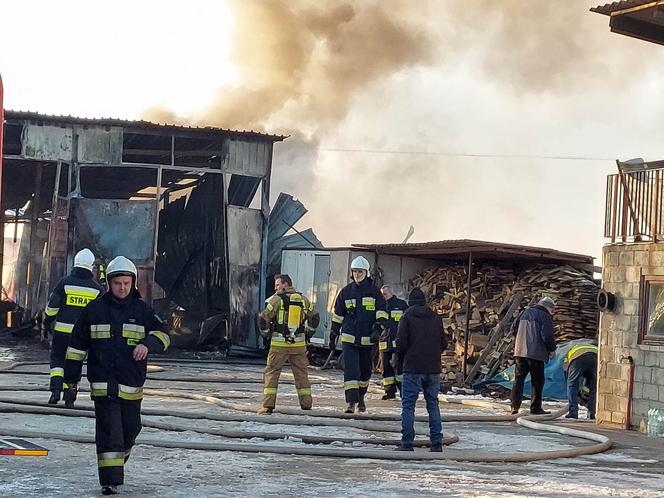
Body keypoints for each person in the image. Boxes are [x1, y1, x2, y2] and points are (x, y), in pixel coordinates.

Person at [63, 256, 170, 496]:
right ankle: (110, 482)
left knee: (131, 429)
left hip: (131, 385)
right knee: (110, 433)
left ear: (133, 283)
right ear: (108, 283)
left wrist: (147, 344)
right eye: (117, 283)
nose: (122, 288)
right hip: (103, 386)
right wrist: (70, 381)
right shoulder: (94, 310)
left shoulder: (142, 311)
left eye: (126, 283)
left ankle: (116, 466)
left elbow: (164, 335)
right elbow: (76, 347)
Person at [43, 248, 102, 407]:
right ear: (91, 266)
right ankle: (69, 398)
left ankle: (55, 390)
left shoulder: (64, 282)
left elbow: (53, 306)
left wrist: (47, 321)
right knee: (74, 365)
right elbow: (100, 316)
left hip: (61, 332)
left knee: (57, 359)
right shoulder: (97, 289)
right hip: (81, 337)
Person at [329, 256, 388, 413]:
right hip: (349, 338)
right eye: (354, 271)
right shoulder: (346, 292)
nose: (357, 274)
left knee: (365, 371)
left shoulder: (375, 292)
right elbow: (338, 315)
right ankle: (351, 403)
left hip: (367, 340)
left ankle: (361, 397)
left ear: (366, 272)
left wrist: (378, 328)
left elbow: (382, 312)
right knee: (351, 370)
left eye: (360, 271)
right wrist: (333, 333)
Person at [257, 274, 319, 414]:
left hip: (279, 345)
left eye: (278, 285)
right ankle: (306, 405)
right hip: (298, 345)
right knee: (302, 374)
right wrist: (308, 334)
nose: (276, 288)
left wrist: (265, 334)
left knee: (272, 373)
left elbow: (263, 317)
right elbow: (315, 318)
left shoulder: (276, 299)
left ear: (286, 284)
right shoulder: (304, 300)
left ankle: (267, 406)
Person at [395, 288, 447, 452]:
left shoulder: (407, 317)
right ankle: (437, 442)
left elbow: (401, 343)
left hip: (412, 368)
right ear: (425, 302)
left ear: (410, 303)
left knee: (408, 405)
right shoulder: (436, 318)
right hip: (433, 368)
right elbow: (443, 343)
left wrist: (399, 364)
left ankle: (407, 442)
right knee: (433, 404)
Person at [510, 296, 557, 416]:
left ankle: (514, 407)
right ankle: (535, 408)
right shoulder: (545, 316)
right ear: (548, 307)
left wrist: (520, 341)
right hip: (536, 353)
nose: (552, 313)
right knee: (537, 381)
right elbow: (547, 336)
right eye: (552, 310)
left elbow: (513, 329)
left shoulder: (524, 312)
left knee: (518, 380)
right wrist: (551, 349)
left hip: (520, 352)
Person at [379, 285, 408, 400]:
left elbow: (407, 322)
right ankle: (389, 391)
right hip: (384, 340)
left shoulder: (401, 305)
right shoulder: (380, 305)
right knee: (385, 366)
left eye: (385, 294)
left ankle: (403, 391)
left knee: (398, 366)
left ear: (391, 293)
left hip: (397, 340)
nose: (383, 296)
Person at [564, 343, 598, 420]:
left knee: (572, 384)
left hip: (577, 358)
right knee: (595, 385)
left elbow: (566, 371)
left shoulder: (570, 352)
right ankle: (593, 412)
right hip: (594, 357)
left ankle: (573, 413)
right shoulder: (595, 347)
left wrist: (578, 394)